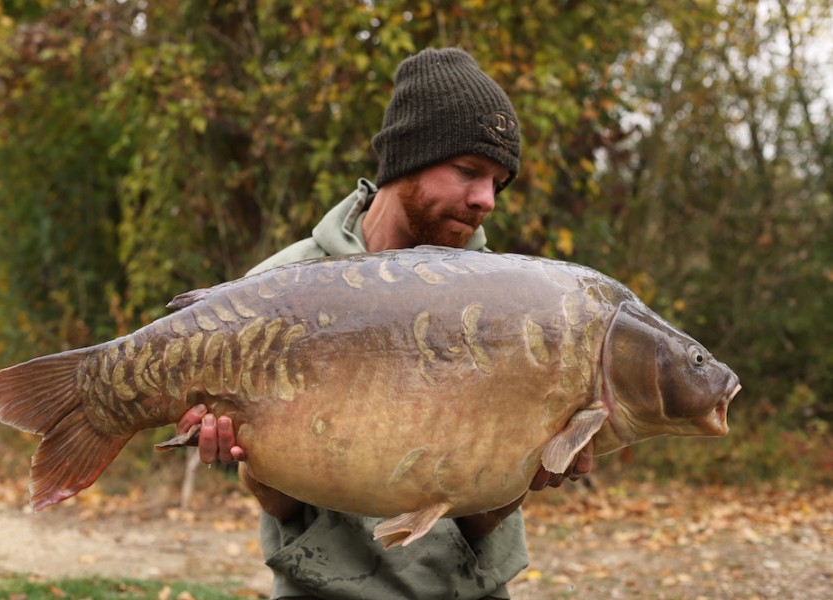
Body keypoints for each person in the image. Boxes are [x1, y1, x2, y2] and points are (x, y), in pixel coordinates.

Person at [176, 47, 593, 600]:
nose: (486, 200)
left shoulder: (509, 306)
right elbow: (283, 509)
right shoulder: (277, 288)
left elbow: (482, 521)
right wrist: (246, 458)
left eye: (499, 181)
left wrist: (532, 466)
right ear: (407, 161)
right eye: (469, 172)